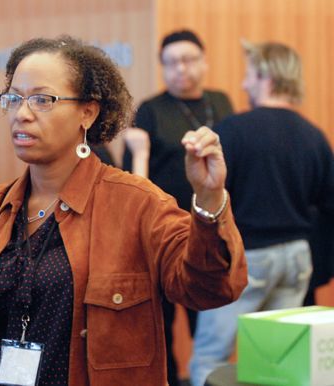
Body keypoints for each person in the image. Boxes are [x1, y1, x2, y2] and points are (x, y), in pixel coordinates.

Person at [0, 35, 247, 386]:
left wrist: (209, 196)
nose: (22, 114)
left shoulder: (136, 203)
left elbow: (210, 288)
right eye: (13, 99)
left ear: (88, 111)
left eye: (42, 99)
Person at [189, 41, 334, 386]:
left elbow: (213, 197)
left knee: (211, 355)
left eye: (249, 75)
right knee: (279, 358)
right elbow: (329, 204)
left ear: (266, 76)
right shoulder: (314, 136)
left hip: (249, 258)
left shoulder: (233, 132)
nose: (243, 85)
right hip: (297, 258)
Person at [122, 29, 235, 386]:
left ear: (204, 62)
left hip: (211, 224)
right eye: (170, 63)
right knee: (163, 318)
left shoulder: (221, 101)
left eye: (188, 60)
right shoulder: (151, 111)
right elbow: (130, 176)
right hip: (166, 230)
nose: (180, 69)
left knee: (210, 316)